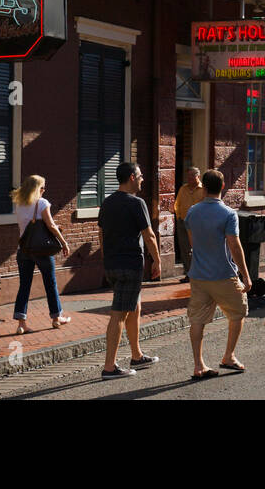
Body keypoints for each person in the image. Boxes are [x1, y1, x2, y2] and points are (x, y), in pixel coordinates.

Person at [185, 169, 253, 379]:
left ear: (203, 188)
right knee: (238, 312)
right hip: (223, 274)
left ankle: (198, 365)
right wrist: (246, 276)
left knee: (197, 320)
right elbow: (234, 245)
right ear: (222, 187)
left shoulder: (192, 212)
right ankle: (229, 356)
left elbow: (192, 242)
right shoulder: (228, 214)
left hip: (198, 275)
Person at [99, 162, 163, 378]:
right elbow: (149, 235)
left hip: (112, 264)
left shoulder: (107, 203)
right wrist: (157, 260)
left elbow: (101, 233)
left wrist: (106, 257)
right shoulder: (137, 203)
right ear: (132, 178)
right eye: (141, 175)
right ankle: (109, 367)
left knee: (134, 306)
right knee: (118, 314)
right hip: (130, 265)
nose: (143, 178)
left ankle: (136, 354)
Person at [11, 175, 71, 334]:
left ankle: (21, 324)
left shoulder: (19, 205)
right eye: (43, 187)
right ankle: (57, 318)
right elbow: (50, 225)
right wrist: (63, 242)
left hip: (24, 249)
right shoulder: (42, 203)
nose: (44, 190)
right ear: (37, 189)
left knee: (24, 285)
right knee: (50, 282)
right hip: (41, 250)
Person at [173, 165, 206, 282]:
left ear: (198, 176)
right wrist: (179, 217)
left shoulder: (204, 190)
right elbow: (177, 203)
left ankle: (200, 273)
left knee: (198, 249)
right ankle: (189, 274)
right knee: (185, 249)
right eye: (188, 176)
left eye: (192, 176)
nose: (190, 178)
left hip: (198, 224)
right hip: (183, 222)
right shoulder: (183, 188)